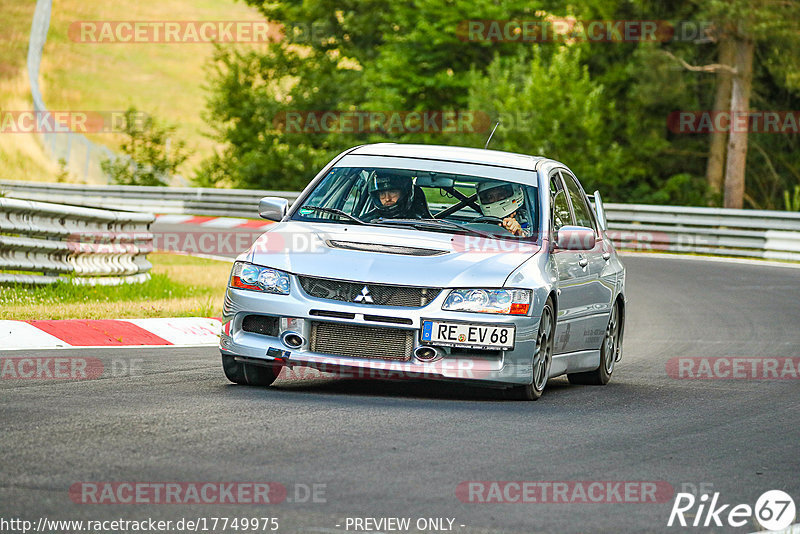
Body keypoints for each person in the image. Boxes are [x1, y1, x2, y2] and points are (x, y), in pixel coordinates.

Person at [366, 171, 431, 219]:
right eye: (382, 194)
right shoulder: (365, 222)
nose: (387, 199)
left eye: (392, 192)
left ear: (405, 192)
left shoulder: (423, 224)